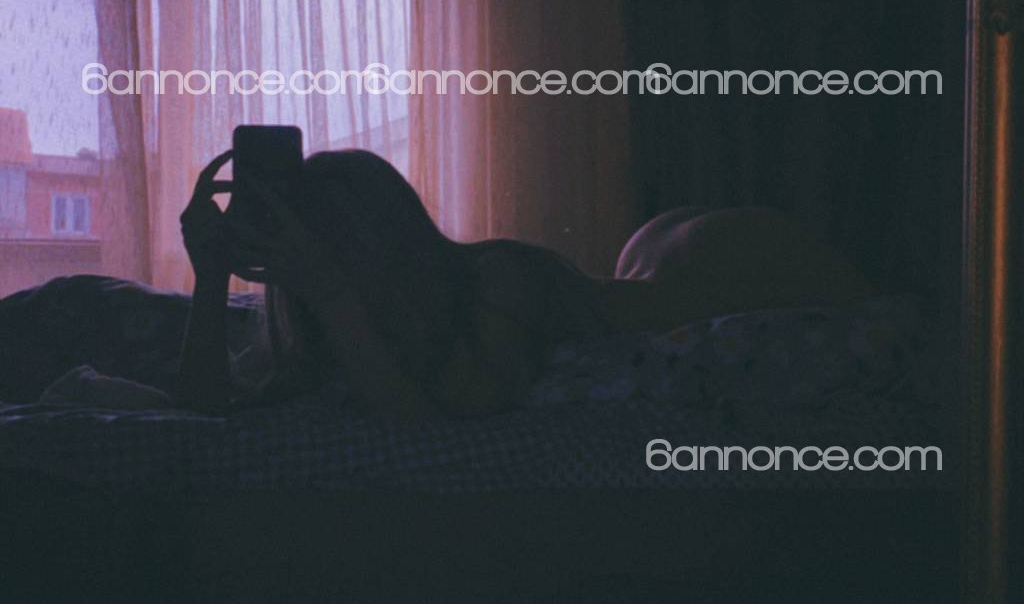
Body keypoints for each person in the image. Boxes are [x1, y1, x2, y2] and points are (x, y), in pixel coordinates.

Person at [175, 148, 872, 419]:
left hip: (710, 268)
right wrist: (210, 279)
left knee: (878, 310)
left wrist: (333, 293)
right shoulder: (335, 322)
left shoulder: (495, 279)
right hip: (648, 258)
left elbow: (436, 430)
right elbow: (208, 407)